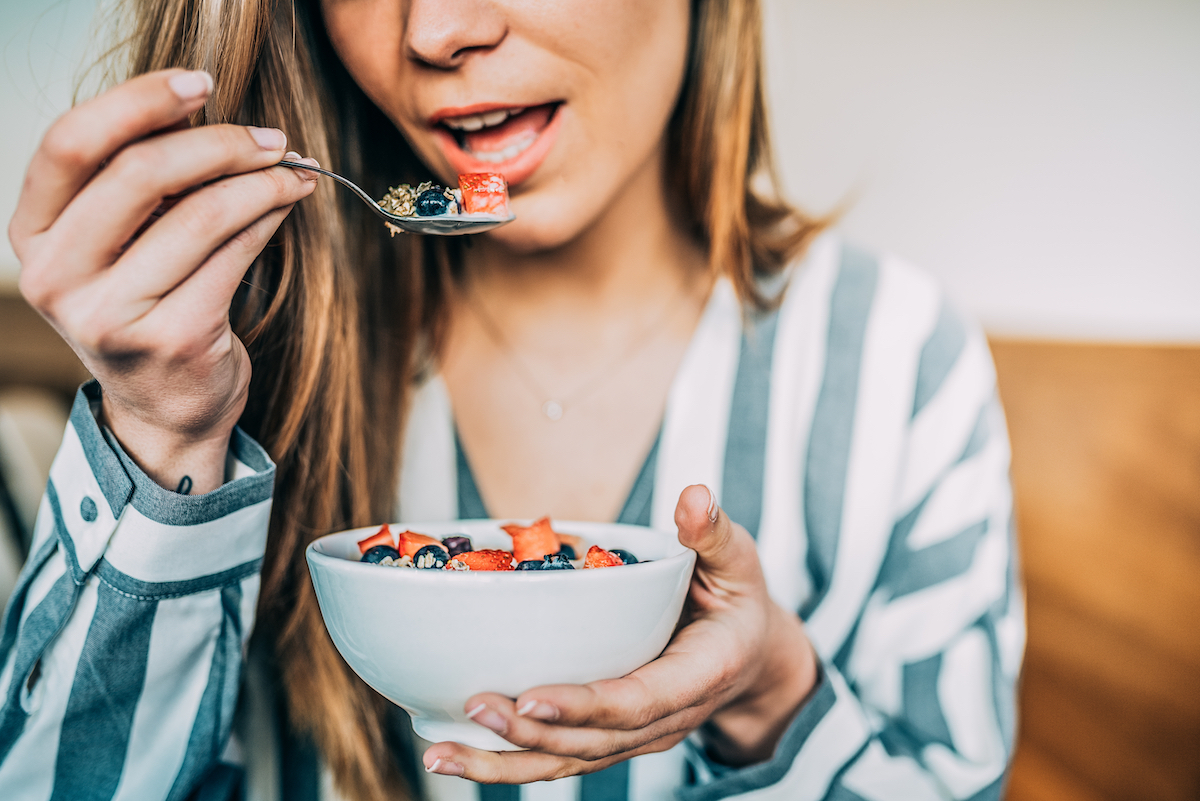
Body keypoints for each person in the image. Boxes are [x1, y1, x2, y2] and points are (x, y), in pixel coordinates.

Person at [0, 0, 1023, 799]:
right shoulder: (238, 347)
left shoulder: (895, 362)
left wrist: (768, 696)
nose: (436, 32)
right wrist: (163, 428)